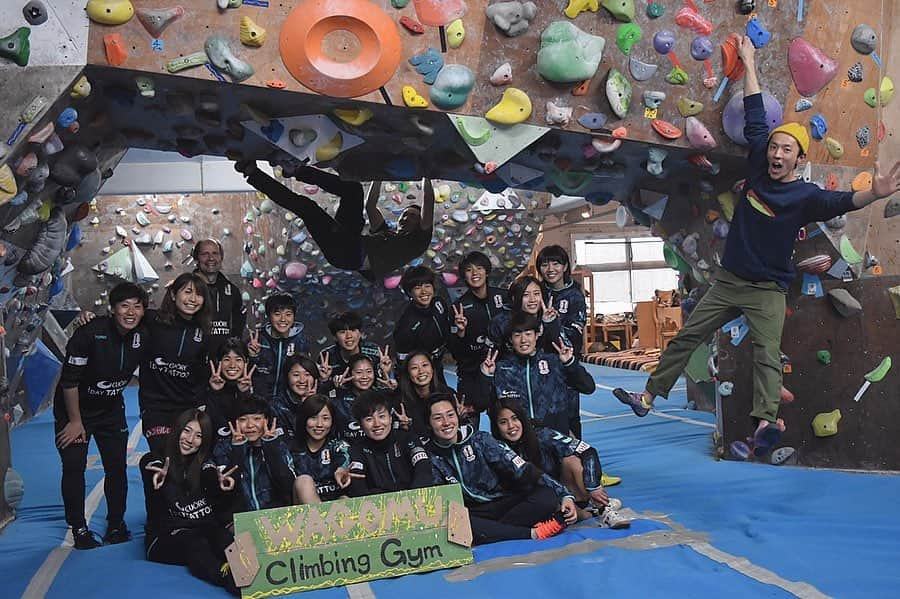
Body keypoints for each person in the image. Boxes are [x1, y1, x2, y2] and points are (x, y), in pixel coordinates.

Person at [613, 35, 900, 458]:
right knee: (689, 334)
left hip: (767, 288)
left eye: (787, 149)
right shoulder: (758, 166)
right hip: (729, 280)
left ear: (798, 159)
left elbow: (844, 201)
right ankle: (649, 397)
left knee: (768, 353)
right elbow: (753, 112)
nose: (777, 153)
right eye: (775, 147)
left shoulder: (805, 197)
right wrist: (749, 61)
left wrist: (874, 194)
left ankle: (766, 421)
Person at [54, 282, 147, 549]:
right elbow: (69, 382)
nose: (131, 312)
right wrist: (74, 421)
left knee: (117, 467)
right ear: (112, 309)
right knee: (73, 467)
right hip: (74, 410)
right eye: (124, 306)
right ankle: (79, 527)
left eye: (137, 307)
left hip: (110, 411)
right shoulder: (89, 334)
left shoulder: (143, 333)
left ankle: (116, 524)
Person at [234, 161, 435, 278]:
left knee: (308, 208)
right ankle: (294, 169)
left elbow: (428, 203)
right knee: (353, 190)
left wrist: (427, 176)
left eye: (413, 217)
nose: (406, 217)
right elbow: (370, 205)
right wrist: (378, 175)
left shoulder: (418, 241)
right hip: (352, 242)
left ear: (420, 224)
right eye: (405, 213)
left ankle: (252, 173)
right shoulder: (388, 234)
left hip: (351, 255)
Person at [424, 394, 575, 545]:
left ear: (457, 416)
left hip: (503, 503)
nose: (446, 422)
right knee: (453, 520)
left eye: (450, 415)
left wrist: (565, 495)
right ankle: (532, 533)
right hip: (472, 513)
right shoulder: (429, 456)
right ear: (429, 424)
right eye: (438, 418)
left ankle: (490, 533)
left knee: (547, 496)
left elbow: (525, 470)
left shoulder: (480, 440)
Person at [140, 409, 239, 595]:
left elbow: (210, 475)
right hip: (165, 536)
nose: (190, 439)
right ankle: (225, 576)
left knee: (223, 537)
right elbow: (150, 466)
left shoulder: (205, 463)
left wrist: (220, 485)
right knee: (195, 542)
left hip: (200, 527)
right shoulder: (154, 460)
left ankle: (253, 570)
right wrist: (160, 477)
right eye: (187, 431)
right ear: (177, 430)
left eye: (198, 435)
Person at [491, 399, 630, 528]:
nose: (511, 426)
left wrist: (593, 486)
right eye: (503, 422)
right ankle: (591, 513)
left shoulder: (542, 435)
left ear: (522, 418)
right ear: (496, 426)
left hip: (567, 493)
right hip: (543, 500)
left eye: (515, 419)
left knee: (571, 460)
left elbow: (587, 450)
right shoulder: (494, 447)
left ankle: (603, 509)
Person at [480, 313, 595, 435]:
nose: (523, 340)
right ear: (510, 339)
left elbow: (588, 387)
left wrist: (570, 364)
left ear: (537, 335)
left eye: (528, 334)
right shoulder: (501, 369)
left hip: (553, 440)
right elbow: (482, 404)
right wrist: (486, 377)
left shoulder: (554, 363)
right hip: (519, 443)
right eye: (517, 335)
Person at [140, 272, 212, 453]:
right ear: (173, 295)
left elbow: (200, 374)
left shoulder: (203, 332)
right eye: (187, 292)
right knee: (163, 457)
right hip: (155, 408)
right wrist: (89, 317)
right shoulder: (151, 320)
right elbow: (121, 319)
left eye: (199, 294)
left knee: (185, 461)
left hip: (186, 408)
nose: (193, 299)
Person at [448, 251, 507, 420]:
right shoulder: (459, 307)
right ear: (464, 275)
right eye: (469, 270)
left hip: (502, 371)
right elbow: (455, 352)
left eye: (479, 268)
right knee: (468, 424)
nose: (475, 273)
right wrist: (460, 332)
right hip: (471, 374)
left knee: (504, 423)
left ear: (487, 271)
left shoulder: (503, 297)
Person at [212, 396, 300, 511]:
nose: (250, 425)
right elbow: (227, 491)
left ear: (267, 420)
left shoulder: (279, 446)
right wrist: (238, 448)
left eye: (257, 419)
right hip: (242, 520)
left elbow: (287, 485)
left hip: (277, 517)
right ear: (235, 422)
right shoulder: (224, 447)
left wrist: (270, 446)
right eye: (243, 419)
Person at [537, 245, 588, 437]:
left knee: (569, 417)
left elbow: (574, 336)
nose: (550, 269)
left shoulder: (575, 296)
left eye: (555, 263)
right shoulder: (537, 292)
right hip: (539, 366)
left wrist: (553, 324)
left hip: (566, 367)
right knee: (543, 417)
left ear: (565, 266)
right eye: (544, 264)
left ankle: (576, 459)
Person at [346, 391, 435, 496]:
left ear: (391, 418)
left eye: (382, 416)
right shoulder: (357, 450)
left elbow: (423, 469)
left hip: (415, 503)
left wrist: (411, 500)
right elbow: (359, 488)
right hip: (379, 508)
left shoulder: (408, 439)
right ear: (360, 424)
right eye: (369, 419)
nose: (377, 424)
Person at [392, 266, 452, 384]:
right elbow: (402, 363)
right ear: (409, 292)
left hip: (438, 364)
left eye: (427, 286)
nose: (424, 291)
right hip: (421, 373)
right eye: (417, 288)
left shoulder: (439, 303)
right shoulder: (406, 325)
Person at [247, 293, 309, 402]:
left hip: (289, 403)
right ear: (268, 315)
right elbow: (246, 371)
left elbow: (306, 373)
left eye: (288, 314)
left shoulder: (301, 341)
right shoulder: (257, 339)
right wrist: (253, 356)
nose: (283, 319)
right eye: (277, 314)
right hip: (258, 402)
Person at [290, 394, 352, 502]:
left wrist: (341, 470)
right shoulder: (292, 449)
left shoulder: (337, 445)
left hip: (334, 509)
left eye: (325, 418)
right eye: (313, 417)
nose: (319, 424)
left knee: (344, 499)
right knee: (304, 481)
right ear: (304, 419)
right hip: (303, 512)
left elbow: (344, 458)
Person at [191, 239, 246, 352]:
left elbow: (238, 324)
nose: (211, 258)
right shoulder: (187, 288)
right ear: (196, 258)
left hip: (223, 360)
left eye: (215, 253)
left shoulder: (232, 290)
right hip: (192, 358)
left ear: (221, 257)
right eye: (205, 254)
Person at [489, 275, 565, 355]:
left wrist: (550, 323)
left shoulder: (550, 318)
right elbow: (491, 354)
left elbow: (564, 348)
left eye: (536, 294)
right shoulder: (501, 322)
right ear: (514, 298)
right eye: (526, 295)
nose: (532, 299)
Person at [329, 354, 396, 443]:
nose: (365, 377)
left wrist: (394, 389)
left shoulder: (383, 395)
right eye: (359, 372)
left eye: (369, 371)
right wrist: (328, 384)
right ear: (349, 374)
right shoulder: (340, 399)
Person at [397, 350, 458, 437]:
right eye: (414, 368)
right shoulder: (401, 400)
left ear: (432, 369)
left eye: (425, 365)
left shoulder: (448, 394)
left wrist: (461, 417)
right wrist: (404, 428)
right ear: (408, 374)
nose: (421, 371)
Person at [316, 311, 382, 386]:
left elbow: (382, 383)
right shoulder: (326, 357)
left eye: (353, 330)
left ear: (360, 333)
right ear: (335, 337)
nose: (349, 336)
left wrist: (385, 372)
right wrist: (325, 380)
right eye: (342, 332)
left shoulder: (374, 351)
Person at [202, 337, 254, 432]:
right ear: (219, 362)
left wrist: (244, 393)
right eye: (227, 359)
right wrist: (214, 392)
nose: (232, 365)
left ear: (246, 362)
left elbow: (249, 427)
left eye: (238, 360)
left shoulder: (255, 387)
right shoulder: (206, 387)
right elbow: (206, 427)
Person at [271, 355, 320, 441]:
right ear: (287, 377)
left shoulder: (323, 403)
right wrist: (303, 409)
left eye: (307, 374)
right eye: (296, 375)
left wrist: (310, 405)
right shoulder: (275, 406)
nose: (302, 380)